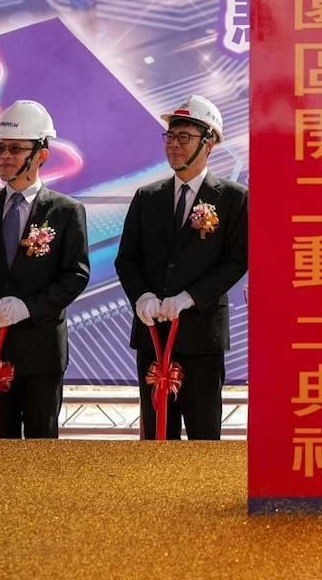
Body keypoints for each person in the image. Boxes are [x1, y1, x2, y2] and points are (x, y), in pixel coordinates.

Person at [0, 100, 89, 438]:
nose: (4, 156)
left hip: (41, 350)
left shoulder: (67, 211)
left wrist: (28, 307)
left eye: (15, 148)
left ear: (41, 153)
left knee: (40, 449)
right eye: (0, 148)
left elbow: (76, 275)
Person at [115, 95, 248, 440]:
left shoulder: (233, 197)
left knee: (204, 435)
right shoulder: (148, 197)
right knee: (158, 434)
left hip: (201, 335)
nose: (174, 146)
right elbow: (127, 258)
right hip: (153, 334)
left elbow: (237, 259)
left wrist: (191, 297)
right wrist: (142, 295)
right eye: (170, 138)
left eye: (184, 138)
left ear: (210, 144)